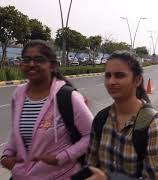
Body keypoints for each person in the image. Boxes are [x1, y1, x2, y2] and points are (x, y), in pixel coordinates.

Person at [0, 40, 93, 179]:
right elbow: (16, 130)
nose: (31, 64)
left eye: (39, 60)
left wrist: (62, 157)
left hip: (60, 175)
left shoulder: (68, 96)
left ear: (52, 65)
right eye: (26, 59)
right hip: (21, 176)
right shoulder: (18, 94)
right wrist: (6, 155)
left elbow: (92, 135)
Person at [85, 51, 158, 180]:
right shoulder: (101, 118)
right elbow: (90, 165)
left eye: (119, 76)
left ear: (138, 80)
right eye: (108, 75)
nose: (111, 81)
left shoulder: (152, 123)